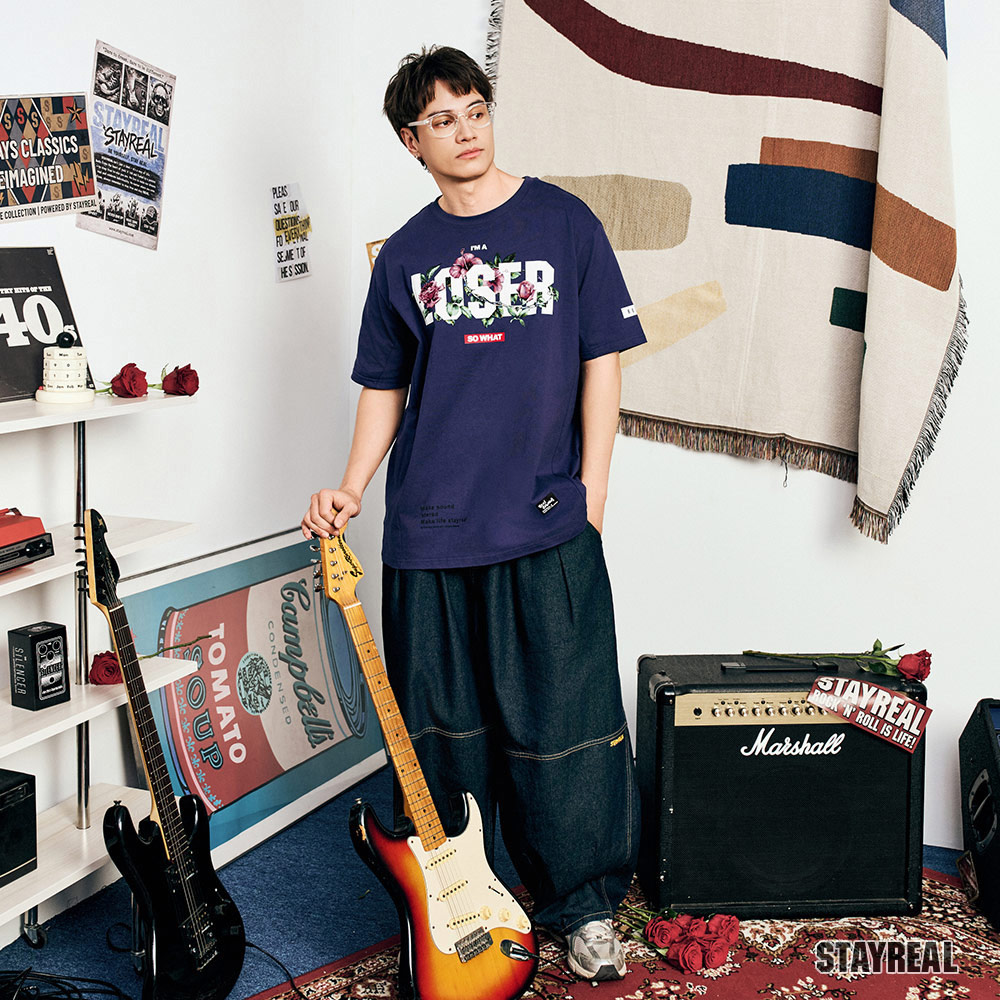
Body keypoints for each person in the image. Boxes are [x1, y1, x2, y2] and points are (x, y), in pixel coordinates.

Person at [301, 45, 645, 982]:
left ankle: (582, 907)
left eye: (476, 110)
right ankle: (465, 906)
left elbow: (602, 360)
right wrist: (353, 485)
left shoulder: (565, 223)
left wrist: (595, 491)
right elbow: (385, 384)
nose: (466, 131)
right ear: (411, 142)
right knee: (442, 734)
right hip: (431, 529)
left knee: (566, 722)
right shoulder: (406, 255)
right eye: (442, 121)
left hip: (546, 518)